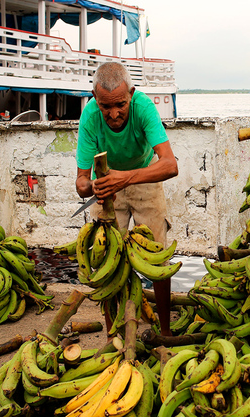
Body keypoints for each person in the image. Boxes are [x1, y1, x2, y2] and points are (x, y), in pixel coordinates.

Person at [75, 62, 178, 336]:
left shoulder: (143, 108)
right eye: (105, 106)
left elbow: (169, 165)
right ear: (95, 98)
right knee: (108, 258)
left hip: (145, 178)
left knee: (157, 256)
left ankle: (165, 331)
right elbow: (81, 181)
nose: (114, 113)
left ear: (131, 93)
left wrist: (128, 177)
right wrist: (91, 187)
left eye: (120, 104)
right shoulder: (89, 117)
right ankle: (114, 336)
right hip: (108, 185)